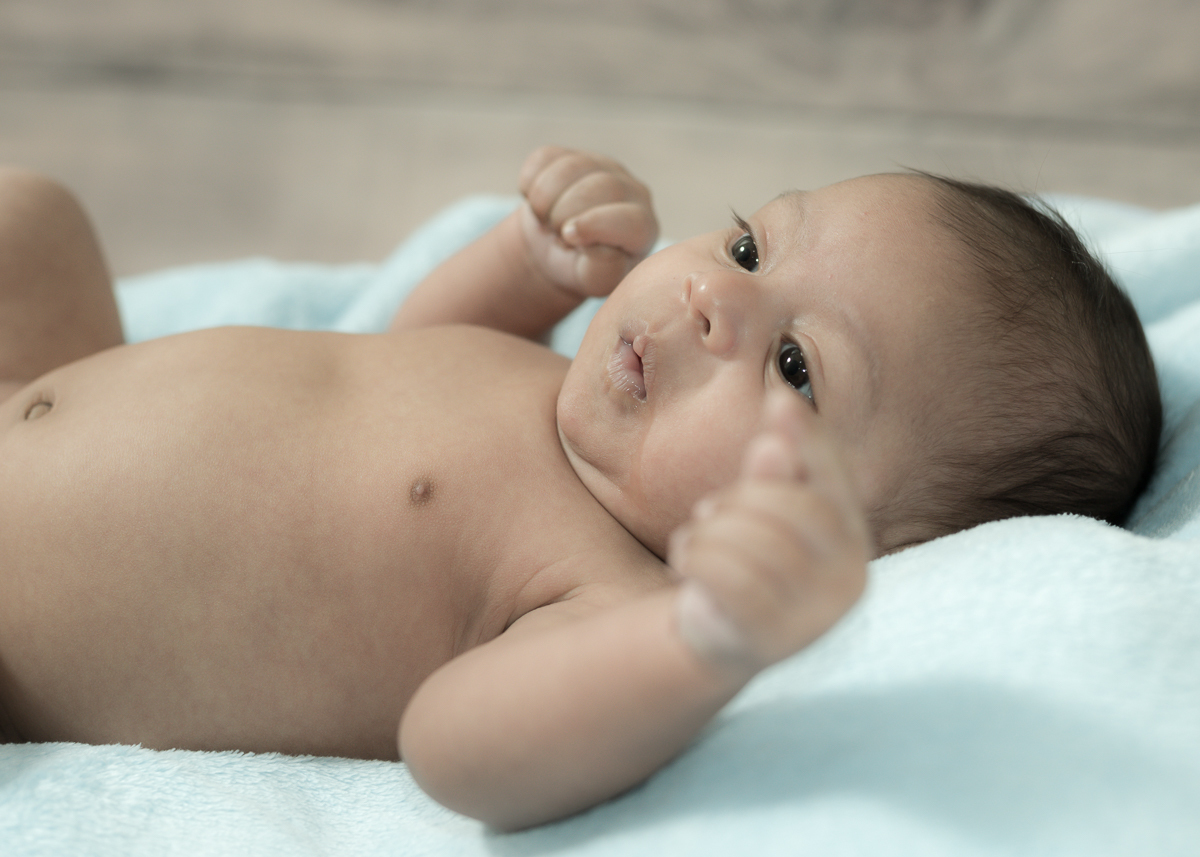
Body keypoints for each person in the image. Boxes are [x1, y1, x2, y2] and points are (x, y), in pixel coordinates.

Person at [0, 147, 1159, 829]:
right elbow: (400, 356)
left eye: (797, 366)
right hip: (45, 387)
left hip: (24, 618)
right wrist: (526, 265)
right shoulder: (555, 381)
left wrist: (706, 643)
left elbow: (458, 749)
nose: (712, 296)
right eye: (753, 247)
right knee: (29, 218)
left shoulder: (602, 595)